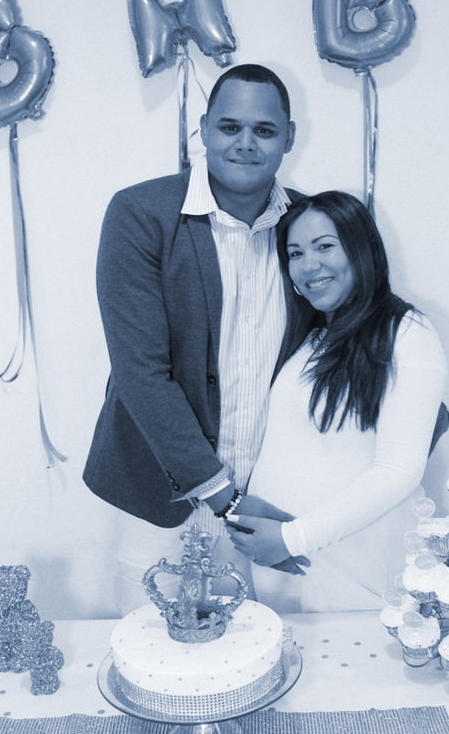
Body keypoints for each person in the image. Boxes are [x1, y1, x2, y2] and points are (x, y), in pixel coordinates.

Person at [83, 64, 315, 613]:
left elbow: (359, 326)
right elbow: (141, 373)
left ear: (288, 137)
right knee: (152, 645)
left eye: (264, 130)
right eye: (230, 127)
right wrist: (223, 497)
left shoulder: (309, 223)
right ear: (205, 129)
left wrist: (411, 422)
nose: (246, 143)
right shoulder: (141, 214)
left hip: (272, 499)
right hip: (160, 495)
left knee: (269, 646)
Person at [226, 191, 449, 612]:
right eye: (295, 253)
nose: (309, 265)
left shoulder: (407, 332)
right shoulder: (312, 335)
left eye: (325, 246)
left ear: (361, 248)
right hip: (286, 563)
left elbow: (399, 471)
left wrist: (292, 538)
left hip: (351, 562)